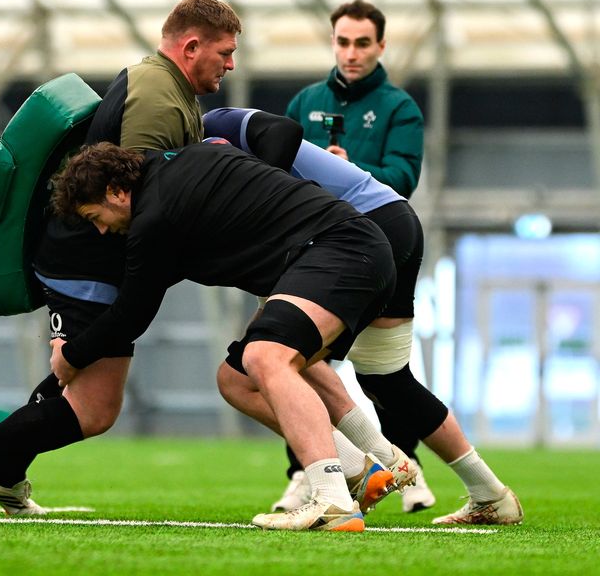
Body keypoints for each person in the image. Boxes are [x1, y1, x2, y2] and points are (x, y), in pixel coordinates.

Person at [0, 0, 242, 520]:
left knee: (81, 390)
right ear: (191, 45)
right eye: (223, 52)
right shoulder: (157, 97)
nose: (230, 64)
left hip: (90, 262)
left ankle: (1, 476)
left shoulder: (164, 86)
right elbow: (136, 206)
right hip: (84, 264)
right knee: (94, 408)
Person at [46, 141, 395, 531]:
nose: (102, 229)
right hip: (349, 250)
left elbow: (131, 315)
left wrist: (70, 355)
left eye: (97, 216)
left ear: (116, 191)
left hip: (340, 250)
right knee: (236, 380)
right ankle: (357, 468)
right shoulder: (184, 160)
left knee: (266, 358)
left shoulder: (153, 217)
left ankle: (333, 500)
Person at [204, 107, 523, 526]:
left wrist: (267, 188)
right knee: (387, 380)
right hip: (391, 219)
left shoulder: (214, 125)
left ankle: (355, 470)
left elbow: (283, 130)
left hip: (353, 229)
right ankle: (485, 491)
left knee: (261, 360)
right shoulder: (193, 146)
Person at [282, 0, 432, 513]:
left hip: (383, 244)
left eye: (362, 43)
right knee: (294, 353)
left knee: (382, 373)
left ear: (381, 46)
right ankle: (308, 470)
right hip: (318, 244)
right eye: (343, 42)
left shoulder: (399, 108)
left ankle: (405, 464)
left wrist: (349, 167)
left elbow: (404, 179)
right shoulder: (305, 101)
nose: (351, 53)